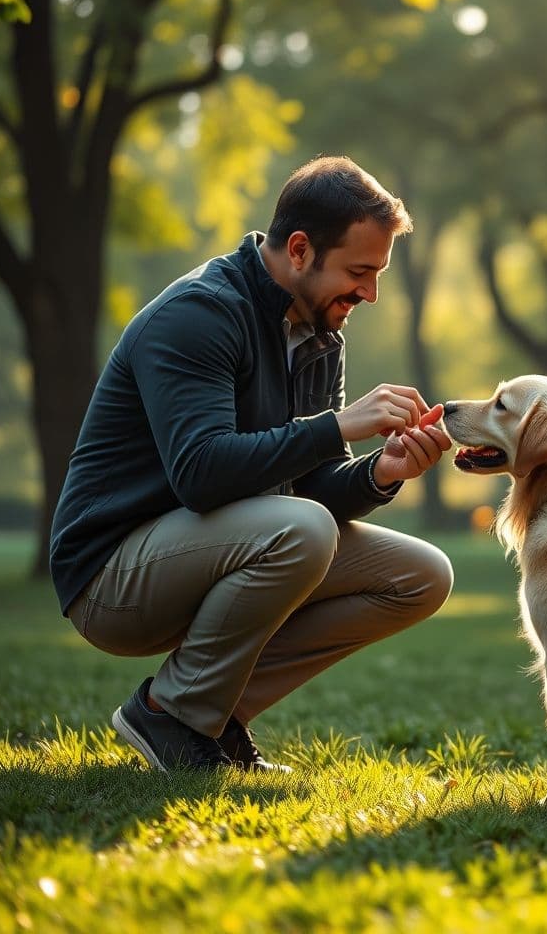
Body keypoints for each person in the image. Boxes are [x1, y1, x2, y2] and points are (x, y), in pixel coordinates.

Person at [50, 155, 454, 773]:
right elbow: (202, 473)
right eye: (359, 271)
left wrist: (382, 472)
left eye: (377, 274)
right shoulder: (198, 314)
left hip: (215, 549)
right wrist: (337, 426)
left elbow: (314, 488)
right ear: (299, 250)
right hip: (112, 576)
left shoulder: (319, 334)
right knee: (303, 529)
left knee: (421, 575)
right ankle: (169, 714)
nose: (370, 292)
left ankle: (216, 718)